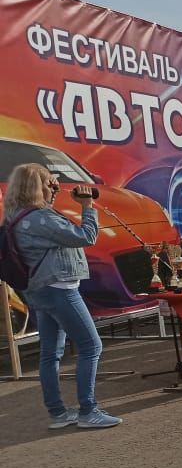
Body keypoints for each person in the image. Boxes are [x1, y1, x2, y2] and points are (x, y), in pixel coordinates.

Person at [5, 163, 120, 428]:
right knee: (91, 347)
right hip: (59, 290)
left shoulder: (19, 214)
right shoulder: (41, 219)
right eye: (48, 183)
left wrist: (53, 192)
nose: (53, 186)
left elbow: (48, 219)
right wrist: (87, 206)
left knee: (50, 353)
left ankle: (57, 413)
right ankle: (88, 411)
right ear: (36, 186)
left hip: (39, 290)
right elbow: (86, 236)